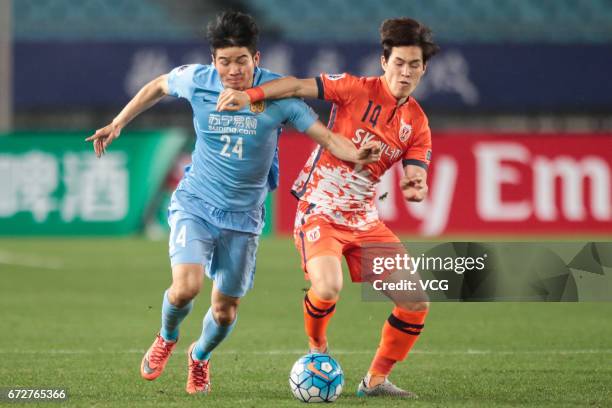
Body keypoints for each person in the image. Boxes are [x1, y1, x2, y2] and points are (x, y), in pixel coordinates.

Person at [86, 11, 380, 395]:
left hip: (243, 218)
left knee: (225, 311)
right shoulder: (198, 80)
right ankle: (166, 337)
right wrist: (119, 122)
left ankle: (200, 357)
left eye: (241, 60)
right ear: (213, 60)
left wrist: (357, 154)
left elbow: (325, 137)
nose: (233, 70)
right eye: (224, 61)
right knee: (185, 288)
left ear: (256, 59)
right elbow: (159, 85)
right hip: (196, 202)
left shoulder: (278, 94)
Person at [216, 17, 439, 398]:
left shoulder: (417, 122)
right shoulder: (354, 88)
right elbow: (296, 86)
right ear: (384, 61)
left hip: (365, 220)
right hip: (319, 207)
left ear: (423, 69)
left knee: (416, 302)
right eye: (399, 62)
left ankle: (376, 381)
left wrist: (416, 185)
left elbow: (416, 171)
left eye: (413, 65)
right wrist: (252, 96)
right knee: (328, 285)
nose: (405, 72)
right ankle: (317, 349)